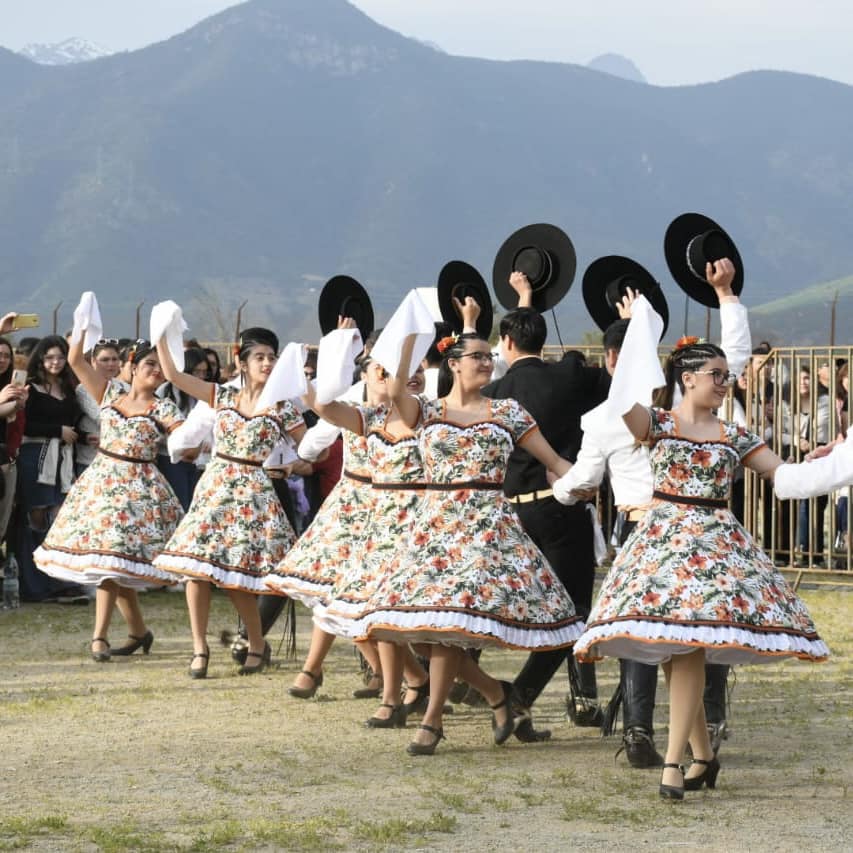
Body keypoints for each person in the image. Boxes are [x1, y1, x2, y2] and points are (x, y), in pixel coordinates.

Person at [573, 265, 829, 799]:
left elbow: (785, 477)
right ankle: (703, 758)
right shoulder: (659, 424)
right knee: (675, 652)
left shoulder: (735, 433)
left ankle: (675, 764)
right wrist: (640, 327)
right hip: (663, 542)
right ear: (687, 378)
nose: (726, 381)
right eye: (717, 374)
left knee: (687, 647)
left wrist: (837, 459)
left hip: (714, 551)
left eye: (726, 374)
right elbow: (623, 404)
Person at [355, 297, 585, 755]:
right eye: (477, 356)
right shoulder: (429, 411)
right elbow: (397, 388)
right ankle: (498, 694)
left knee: (451, 622)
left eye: (489, 355)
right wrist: (404, 344)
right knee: (419, 628)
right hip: (434, 528)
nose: (487, 361)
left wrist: (580, 481)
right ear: (454, 365)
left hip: (486, 530)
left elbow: (554, 460)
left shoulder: (509, 413)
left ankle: (433, 720)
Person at [551, 267, 752, 768]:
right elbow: (731, 367)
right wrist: (725, 296)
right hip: (689, 533)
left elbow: (583, 480)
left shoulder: (616, 417)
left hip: (646, 527)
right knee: (702, 631)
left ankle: (644, 732)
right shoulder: (658, 416)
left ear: (616, 360)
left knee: (647, 635)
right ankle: (700, 734)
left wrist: (555, 491)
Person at [483, 272, 610, 740]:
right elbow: (617, 386)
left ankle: (463, 686)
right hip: (560, 510)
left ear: (507, 341)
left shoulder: (493, 395)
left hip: (510, 512)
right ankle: (520, 698)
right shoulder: (570, 376)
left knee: (491, 606)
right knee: (573, 612)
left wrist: (524, 301)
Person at [153, 326, 306, 678]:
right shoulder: (220, 395)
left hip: (254, 492)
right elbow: (174, 374)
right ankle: (199, 649)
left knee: (236, 577)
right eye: (260, 357)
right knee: (195, 568)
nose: (267, 363)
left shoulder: (284, 407)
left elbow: (315, 446)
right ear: (241, 362)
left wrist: (294, 462)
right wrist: (161, 333)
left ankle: (255, 643)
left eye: (272, 357)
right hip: (216, 488)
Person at [34, 332, 184, 661]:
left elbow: (185, 438)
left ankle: (99, 638)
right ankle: (137, 632)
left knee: (111, 563)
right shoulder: (110, 393)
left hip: (140, 492)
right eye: (149, 363)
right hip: (101, 486)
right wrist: (83, 325)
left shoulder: (164, 407)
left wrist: (190, 441)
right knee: (111, 562)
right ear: (132, 365)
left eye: (161, 366)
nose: (155, 370)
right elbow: (75, 361)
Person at [16, 335, 85, 603]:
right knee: (35, 518)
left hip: (62, 459)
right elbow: (23, 425)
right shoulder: (30, 388)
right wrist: (57, 431)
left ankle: (58, 582)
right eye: (49, 357)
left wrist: (78, 434)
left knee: (57, 518)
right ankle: (34, 585)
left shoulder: (69, 389)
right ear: (41, 360)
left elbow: (74, 422)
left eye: (60, 357)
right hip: (35, 457)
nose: (55, 362)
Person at [74, 339, 122, 476]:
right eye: (105, 360)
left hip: (119, 461)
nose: (111, 364)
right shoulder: (83, 389)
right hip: (90, 461)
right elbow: (103, 418)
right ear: (93, 362)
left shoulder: (125, 387)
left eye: (115, 359)